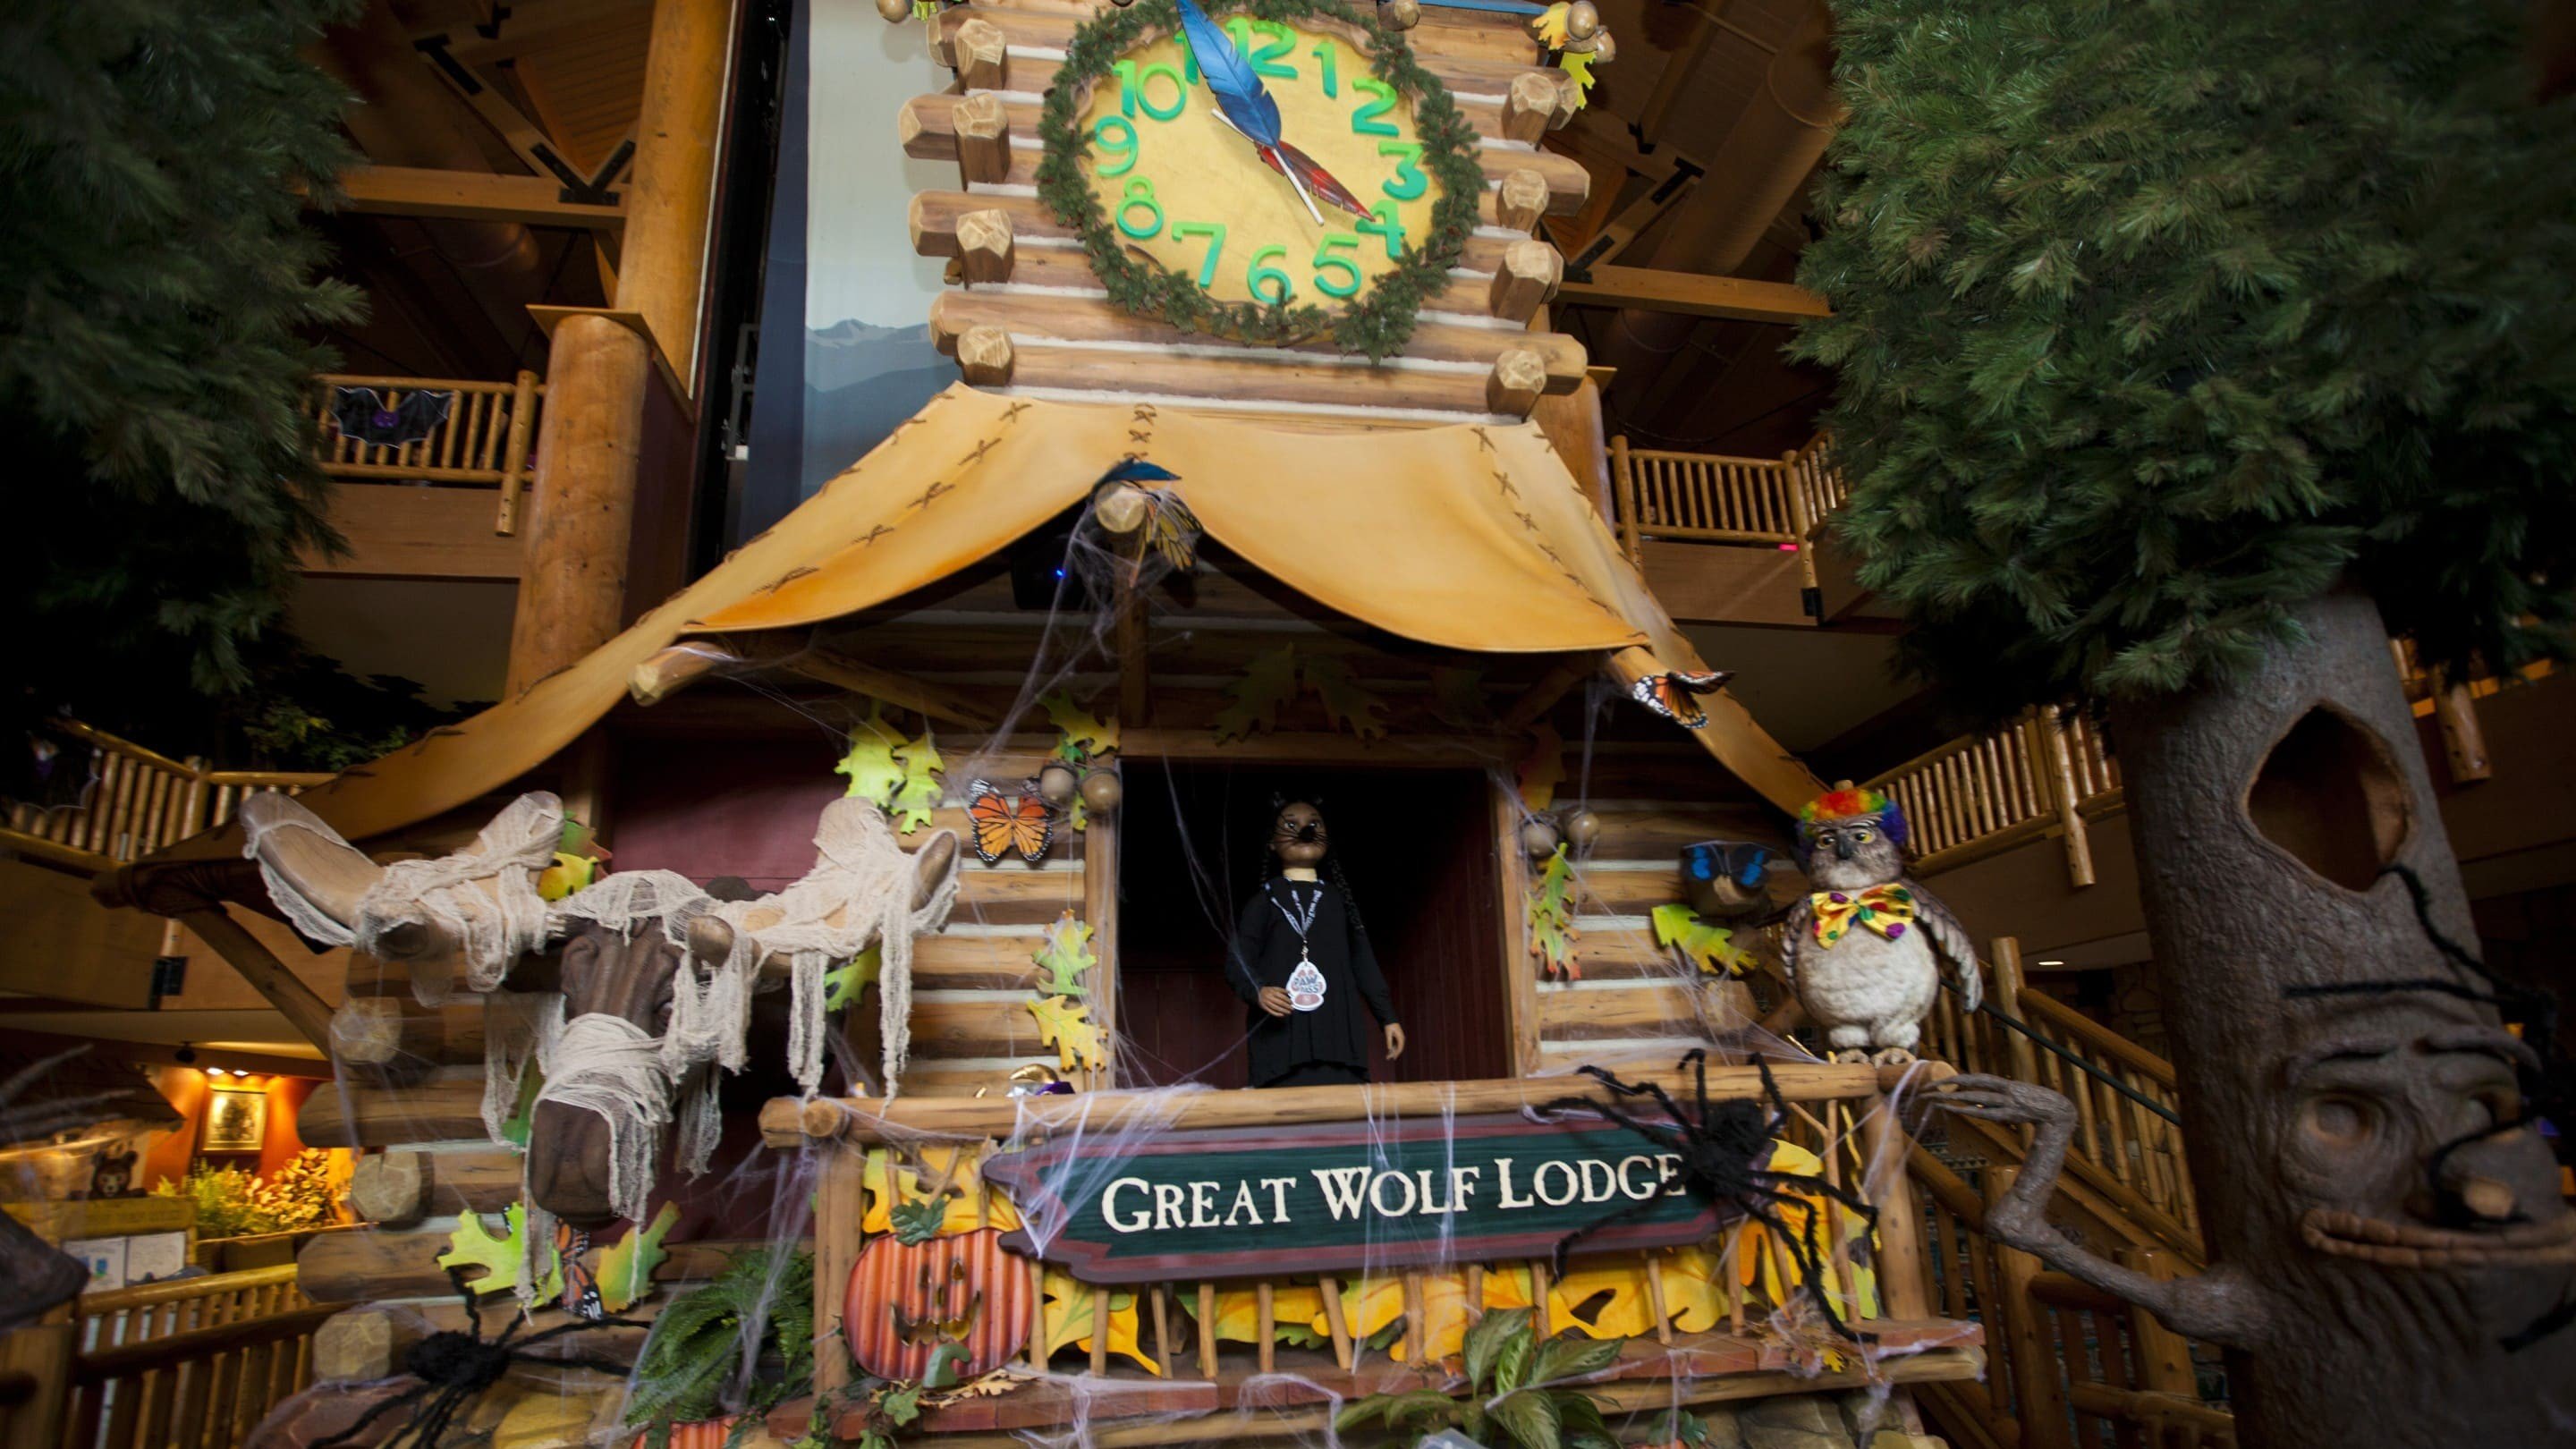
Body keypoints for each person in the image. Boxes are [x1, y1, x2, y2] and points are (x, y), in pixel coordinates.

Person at [1224, 797, 1405, 1087]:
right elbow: (1237, 961)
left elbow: (1364, 963)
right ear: (1271, 843)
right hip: (1280, 1050)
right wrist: (1258, 990)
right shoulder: (1264, 901)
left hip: (1340, 1045)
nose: (1305, 830)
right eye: (1291, 825)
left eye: (1314, 824)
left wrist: (1388, 1018)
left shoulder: (1339, 901)